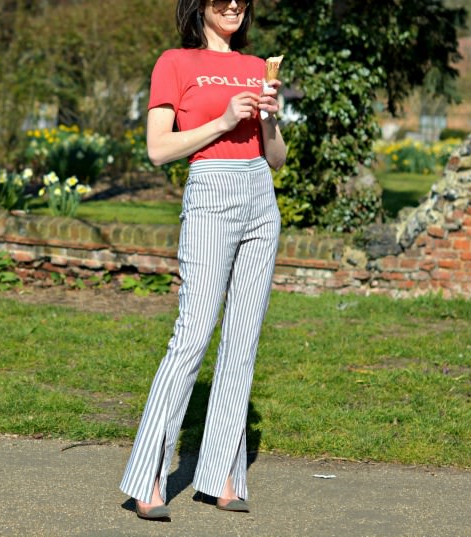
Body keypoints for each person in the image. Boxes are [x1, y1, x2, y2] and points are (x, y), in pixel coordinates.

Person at [119, 0, 286, 521]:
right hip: (212, 188)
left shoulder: (257, 67)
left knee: (242, 339)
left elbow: (275, 158)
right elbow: (158, 149)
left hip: (260, 192)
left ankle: (221, 476)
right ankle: (147, 477)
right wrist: (223, 119)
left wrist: (271, 120)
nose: (233, 5)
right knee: (193, 334)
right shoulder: (175, 62)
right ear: (200, 5)